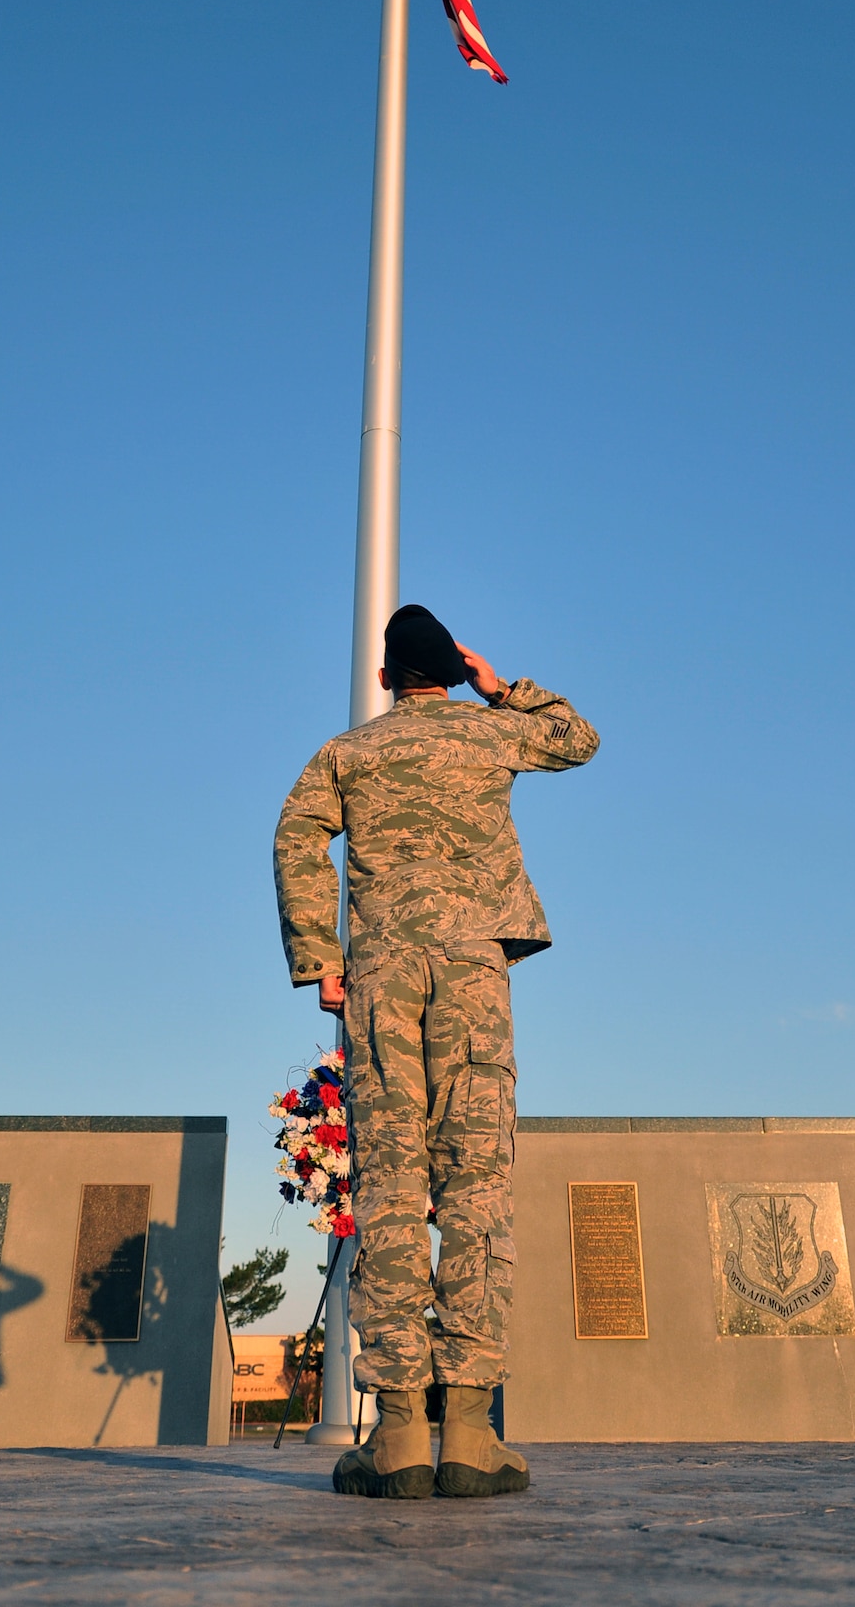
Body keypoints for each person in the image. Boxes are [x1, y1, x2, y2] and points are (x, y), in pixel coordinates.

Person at [273, 604, 599, 1498]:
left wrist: (319, 957)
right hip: (472, 970)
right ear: (451, 670)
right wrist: (500, 687)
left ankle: (399, 1437)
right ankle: (469, 1432)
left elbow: (296, 835)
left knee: (389, 1190)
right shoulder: (490, 734)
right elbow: (577, 739)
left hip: (381, 971)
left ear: (385, 679)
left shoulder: (348, 753)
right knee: (476, 1187)